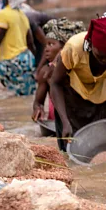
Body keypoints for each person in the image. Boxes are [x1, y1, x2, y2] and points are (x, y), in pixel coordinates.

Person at [50, 12, 106, 151]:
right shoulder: (74, 48)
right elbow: (55, 83)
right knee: (74, 149)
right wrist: (65, 121)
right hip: (73, 99)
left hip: (104, 95)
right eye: (100, 56)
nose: (105, 61)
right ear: (91, 43)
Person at [31, 18, 85, 146]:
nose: (46, 49)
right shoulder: (45, 72)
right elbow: (38, 102)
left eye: (51, 44)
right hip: (56, 123)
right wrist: (38, 109)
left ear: (65, 48)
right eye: (46, 45)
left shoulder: (79, 69)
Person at [0, 0, 53, 69]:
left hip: (47, 30)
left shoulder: (25, 16)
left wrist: (38, 66)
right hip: (30, 31)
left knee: (42, 62)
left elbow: (41, 43)